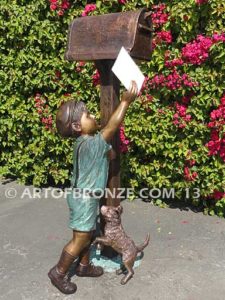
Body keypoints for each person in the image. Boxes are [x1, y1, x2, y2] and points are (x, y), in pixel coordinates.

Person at [48, 81, 138, 294]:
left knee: (89, 233)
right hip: (85, 198)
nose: (94, 117)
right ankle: (59, 272)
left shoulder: (82, 143)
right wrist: (125, 101)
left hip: (82, 196)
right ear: (77, 127)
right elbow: (111, 127)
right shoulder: (91, 144)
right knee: (79, 239)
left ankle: (84, 266)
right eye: (88, 116)